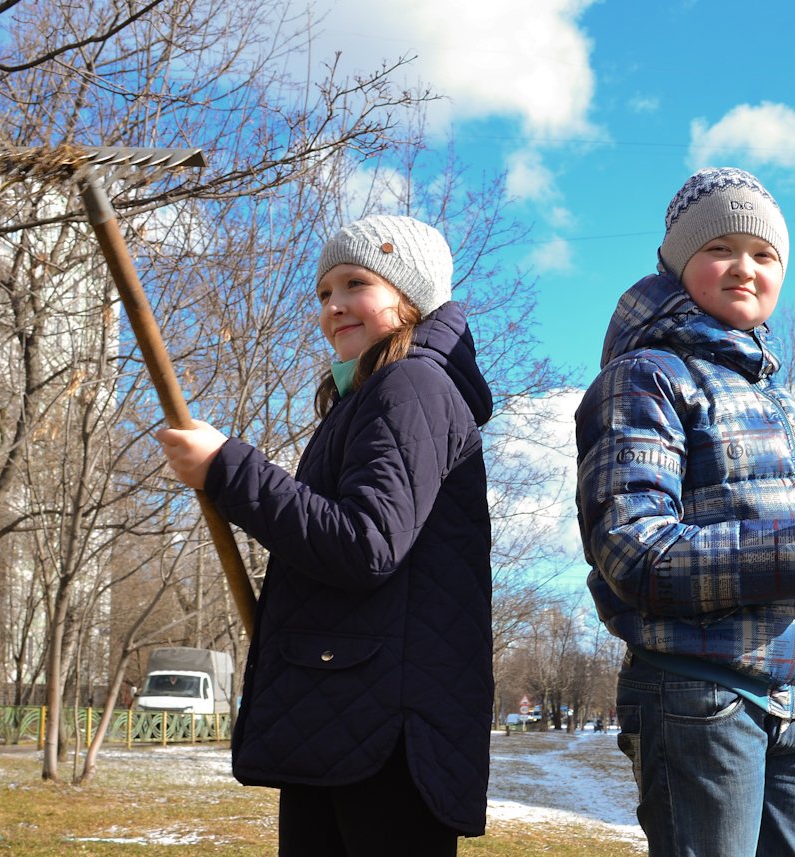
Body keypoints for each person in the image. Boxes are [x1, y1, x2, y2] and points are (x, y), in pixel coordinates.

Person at [574, 167, 795, 856]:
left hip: (794, 701)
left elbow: (760, 520)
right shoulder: (647, 377)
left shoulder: (778, 399)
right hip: (699, 695)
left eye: (765, 254)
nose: (745, 267)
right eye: (721, 247)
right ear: (678, 260)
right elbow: (636, 551)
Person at [156, 214, 494, 856]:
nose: (334, 305)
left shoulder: (411, 385)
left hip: (384, 736)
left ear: (409, 296)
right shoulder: (367, 395)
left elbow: (365, 544)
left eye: (355, 284)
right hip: (353, 721)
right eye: (323, 292)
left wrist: (228, 468)